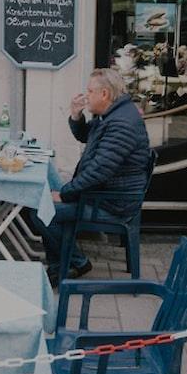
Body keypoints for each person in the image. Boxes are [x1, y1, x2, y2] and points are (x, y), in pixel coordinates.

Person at [38, 68, 151, 284]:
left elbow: (99, 171)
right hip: (103, 194)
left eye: (90, 91)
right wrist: (76, 115)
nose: (86, 95)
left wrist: (65, 194)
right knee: (44, 188)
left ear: (104, 94)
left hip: (111, 203)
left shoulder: (121, 124)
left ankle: (74, 263)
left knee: (41, 210)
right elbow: (86, 136)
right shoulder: (114, 114)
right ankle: (62, 265)